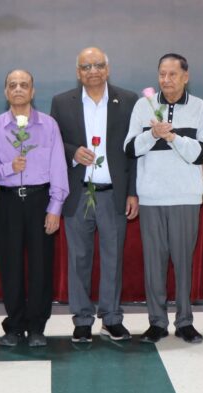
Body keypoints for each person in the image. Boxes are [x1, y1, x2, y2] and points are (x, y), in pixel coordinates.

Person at [125, 53, 203, 344]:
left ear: (185, 76)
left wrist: (174, 137)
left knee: (183, 262)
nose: (166, 80)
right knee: (154, 262)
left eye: (172, 74)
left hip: (185, 196)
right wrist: (152, 134)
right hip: (151, 196)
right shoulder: (144, 106)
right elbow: (129, 148)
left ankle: (185, 321)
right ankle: (157, 322)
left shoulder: (200, 108)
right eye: (162, 74)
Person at [50, 47, 138, 343]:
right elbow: (53, 143)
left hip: (113, 195)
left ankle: (111, 318)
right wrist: (73, 152)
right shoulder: (62, 103)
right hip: (78, 193)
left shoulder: (128, 100)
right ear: (78, 72)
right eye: (86, 66)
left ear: (107, 69)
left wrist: (133, 193)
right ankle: (83, 319)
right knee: (79, 258)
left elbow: (134, 151)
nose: (93, 70)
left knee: (113, 258)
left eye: (98, 65)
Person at [0, 69, 68, 347]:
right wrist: (8, 168)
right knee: (10, 265)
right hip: (8, 201)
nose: (18, 89)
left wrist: (55, 207)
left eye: (24, 85)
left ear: (32, 91)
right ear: (6, 92)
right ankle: (15, 325)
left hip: (40, 200)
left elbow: (58, 168)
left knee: (41, 266)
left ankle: (38, 326)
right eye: (12, 85)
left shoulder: (49, 125)